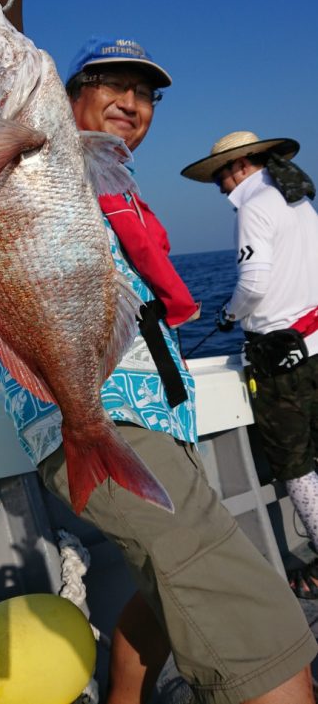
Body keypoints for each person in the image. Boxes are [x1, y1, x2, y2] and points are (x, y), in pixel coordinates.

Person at [0, 0, 318, 702]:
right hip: (103, 414)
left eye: (145, 93)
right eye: (111, 82)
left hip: (148, 423)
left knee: (161, 599)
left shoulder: (112, 179)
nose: (131, 100)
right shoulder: (31, 151)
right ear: (63, 93)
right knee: (263, 633)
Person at [181, 130, 318, 601]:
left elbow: (254, 283)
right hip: (316, 342)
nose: (219, 187)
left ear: (236, 168)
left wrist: (228, 314)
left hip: (282, 359)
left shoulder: (252, 207)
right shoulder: (296, 199)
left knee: (295, 465)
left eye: (219, 175)